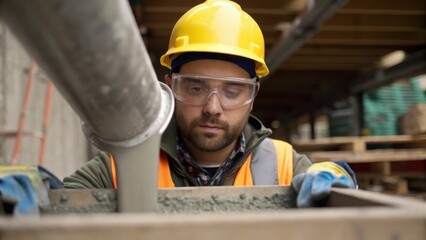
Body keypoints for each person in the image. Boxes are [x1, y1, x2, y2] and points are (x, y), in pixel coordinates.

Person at [63, 0, 356, 207]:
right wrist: (32, 184)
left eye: (232, 91)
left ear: (252, 96)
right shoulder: (124, 164)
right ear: (169, 86)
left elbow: (336, 200)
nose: (212, 108)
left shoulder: (284, 165)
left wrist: (340, 180)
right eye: (195, 87)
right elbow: (57, 202)